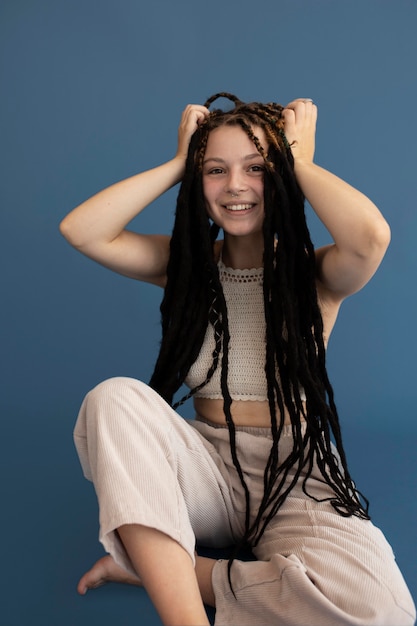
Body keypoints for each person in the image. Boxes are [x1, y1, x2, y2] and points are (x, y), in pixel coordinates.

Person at [60, 93, 416, 626]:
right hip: (206, 475)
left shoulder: (315, 274)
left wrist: (302, 163)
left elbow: (372, 237)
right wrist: (177, 164)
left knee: (384, 611)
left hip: (296, 476)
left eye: (257, 168)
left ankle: (174, 568)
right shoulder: (185, 266)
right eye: (215, 170)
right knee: (112, 398)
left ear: (281, 178)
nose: (235, 186)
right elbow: (82, 230)